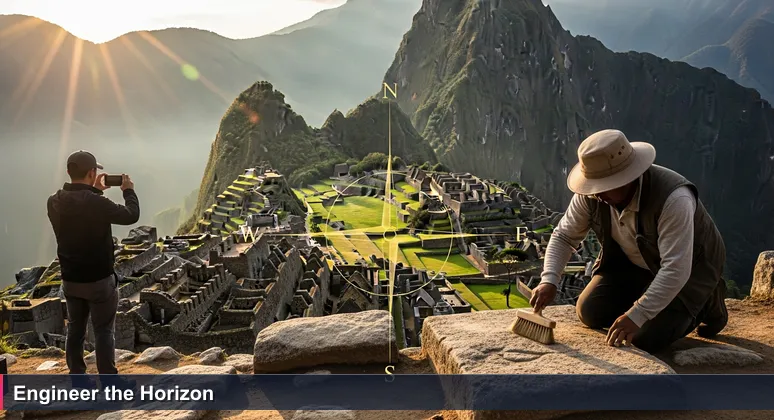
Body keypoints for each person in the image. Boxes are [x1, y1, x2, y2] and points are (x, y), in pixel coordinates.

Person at [531, 129, 727, 353]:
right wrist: (549, 279)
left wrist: (637, 315)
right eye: (593, 186)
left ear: (628, 178)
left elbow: (675, 269)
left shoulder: (674, 199)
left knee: (643, 338)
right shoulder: (592, 196)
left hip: (691, 270)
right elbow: (564, 236)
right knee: (590, 311)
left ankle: (709, 300)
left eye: (603, 186)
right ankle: (650, 295)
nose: (596, 194)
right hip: (633, 263)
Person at [47, 150, 139, 374]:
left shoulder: (54, 202)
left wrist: (94, 189)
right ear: (91, 172)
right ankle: (108, 381)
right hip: (99, 279)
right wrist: (128, 191)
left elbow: (78, 210)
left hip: (70, 279)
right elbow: (131, 215)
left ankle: (77, 379)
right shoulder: (96, 203)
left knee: (75, 330)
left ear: (69, 172)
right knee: (103, 331)